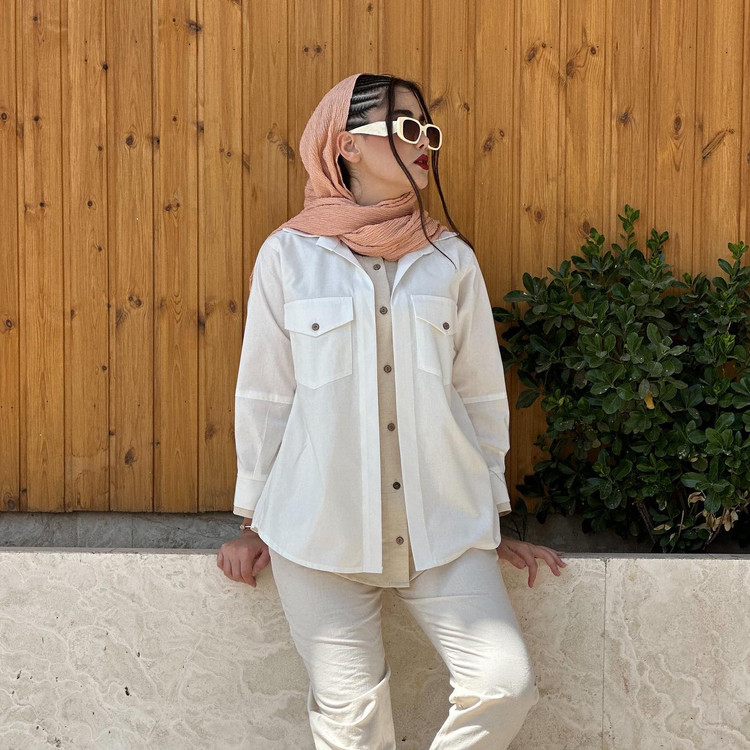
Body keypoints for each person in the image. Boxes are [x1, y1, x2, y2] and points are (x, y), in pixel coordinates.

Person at [217, 72, 567, 750]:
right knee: (352, 726)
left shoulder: (450, 260)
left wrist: (490, 520)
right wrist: (252, 521)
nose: (423, 143)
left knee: (504, 685)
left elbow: (480, 397)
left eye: (429, 131)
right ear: (346, 144)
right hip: (317, 532)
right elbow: (266, 393)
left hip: (443, 528)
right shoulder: (290, 255)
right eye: (407, 128)